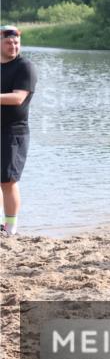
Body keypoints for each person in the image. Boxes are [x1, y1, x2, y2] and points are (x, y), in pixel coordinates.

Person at [1, 25, 38, 236]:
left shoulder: (25, 67)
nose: (13, 46)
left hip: (13, 132)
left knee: (8, 180)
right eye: (8, 42)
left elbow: (17, 98)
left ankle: (10, 228)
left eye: (16, 42)